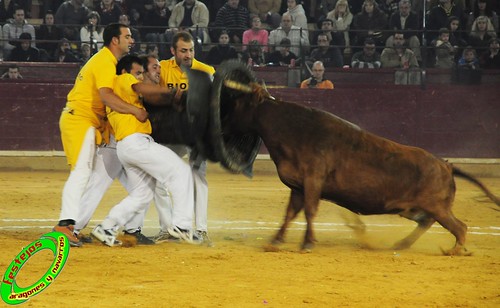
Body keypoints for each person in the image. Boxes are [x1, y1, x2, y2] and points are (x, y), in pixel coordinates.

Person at [52, 23, 143, 247]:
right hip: (81, 120)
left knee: (91, 175)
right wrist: (134, 110)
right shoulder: (105, 61)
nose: (131, 40)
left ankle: (74, 225)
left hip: (87, 122)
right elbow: (106, 97)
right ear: (115, 40)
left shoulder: (107, 61)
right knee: (81, 172)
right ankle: (65, 225)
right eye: (127, 36)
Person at [90, 54, 195, 247]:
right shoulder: (122, 79)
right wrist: (173, 91)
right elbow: (140, 87)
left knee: (142, 194)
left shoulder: (123, 94)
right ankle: (182, 225)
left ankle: (107, 227)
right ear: (125, 71)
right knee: (181, 172)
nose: (140, 76)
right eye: (137, 72)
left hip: (126, 147)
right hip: (136, 143)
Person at [150, 31, 216, 244]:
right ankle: (168, 228)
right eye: (183, 51)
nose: (188, 55)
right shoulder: (162, 68)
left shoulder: (206, 71)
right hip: (169, 132)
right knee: (157, 177)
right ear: (173, 51)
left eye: (191, 50)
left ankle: (202, 229)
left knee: (198, 175)